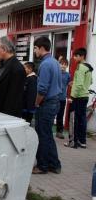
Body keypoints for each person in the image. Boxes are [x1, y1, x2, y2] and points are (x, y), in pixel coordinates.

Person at [32, 36, 62, 174]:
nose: (34, 51)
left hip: (46, 104)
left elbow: (42, 89)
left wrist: (37, 103)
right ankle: (54, 164)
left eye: (35, 48)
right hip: (55, 101)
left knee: (42, 135)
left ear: (41, 48)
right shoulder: (55, 62)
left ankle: (42, 166)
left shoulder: (45, 64)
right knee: (48, 134)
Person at [0, 36, 26, 117]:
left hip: (5, 117)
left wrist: (4, 119)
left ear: (4, 49)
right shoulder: (2, 64)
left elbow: (13, 100)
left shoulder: (17, 68)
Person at [69, 48, 93, 148]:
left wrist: (72, 96)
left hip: (78, 97)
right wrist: (74, 83)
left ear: (82, 56)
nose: (74, 57)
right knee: (82, 119)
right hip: (85, 96)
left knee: (75, 119)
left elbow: (79, 85)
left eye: (76, 55)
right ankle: (82, 141)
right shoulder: (88, 67)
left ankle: (74, 142)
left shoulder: (80, 67)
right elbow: (90, 81)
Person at [55, 58, 71, 139]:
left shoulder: (68, 75)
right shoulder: (55, 73)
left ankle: (59, 132)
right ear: (58, 64)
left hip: (62, 98)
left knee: (60, 115)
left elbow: (70, 84)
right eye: (62, 64)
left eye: (65, 64)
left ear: (67, 66)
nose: (63, 66)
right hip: (54, 97)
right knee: (51, 114)